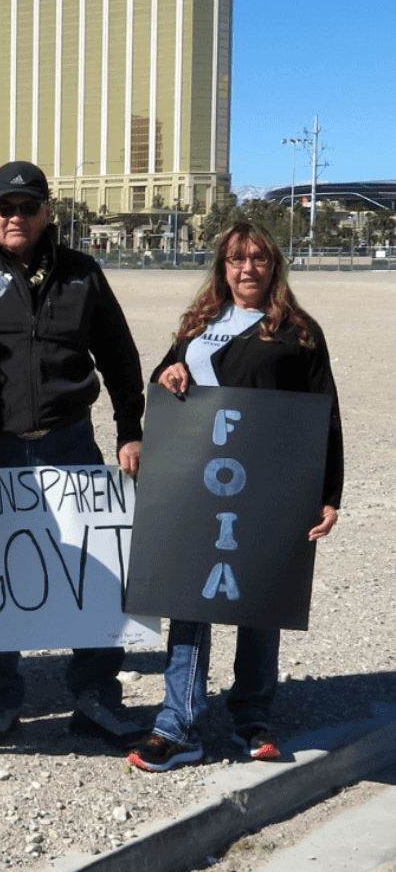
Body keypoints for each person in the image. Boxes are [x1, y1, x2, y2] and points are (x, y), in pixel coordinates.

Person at [0, 161, 145, 747]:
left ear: (47, 212)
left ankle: (95, 694)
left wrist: (129, 429)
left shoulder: (82, 274)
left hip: (69, 442)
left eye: (27, 206)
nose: (16, 216)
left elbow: (119, 356)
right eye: (5, 206)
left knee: (97, 573)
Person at [127, 220, 343, 772]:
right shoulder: (199, 325)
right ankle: (178, 724)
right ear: (222, 267)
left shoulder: (297, 331)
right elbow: (165, 382)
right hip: (200, 486)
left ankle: (253, 716)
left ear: (275, 266)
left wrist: (327, 493)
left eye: (259, 259)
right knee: (188, 604)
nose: (248, 269)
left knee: (259, 601)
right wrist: (169, 369)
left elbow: (326, 416)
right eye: (236, 259)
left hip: (268, 490)